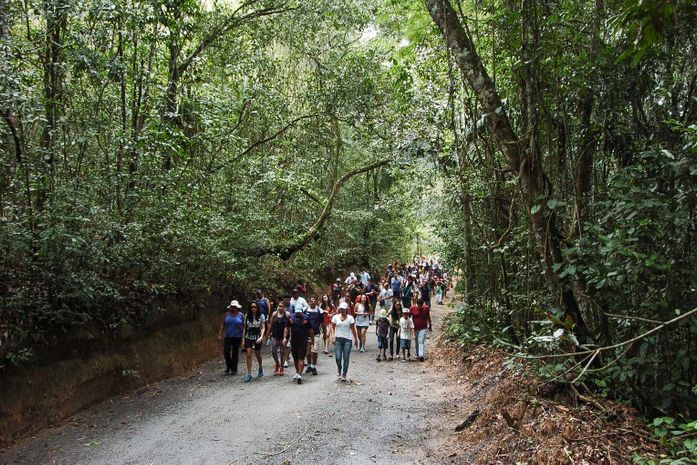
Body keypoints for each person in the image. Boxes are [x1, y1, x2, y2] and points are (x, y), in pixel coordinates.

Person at [284, 307, 314, 384]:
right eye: (297, 313)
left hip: (303, 341)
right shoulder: (291, 318)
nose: (298, 314)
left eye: (299, 313)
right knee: (295, 358)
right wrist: (285, 337)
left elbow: (310, 329)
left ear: (302, 312)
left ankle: (300, 375)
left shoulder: (306, 318)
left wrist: (312, 339)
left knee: (301, 358)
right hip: (294, 341)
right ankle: (297, 371)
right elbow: (287, 327)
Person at [332, 302, 358, 381]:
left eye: (344, 309)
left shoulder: (350, 318)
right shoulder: (335, 317)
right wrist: (333, 336)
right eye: (341, 309)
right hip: (338, 339)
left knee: (346, 358)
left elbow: (353, 329)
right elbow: (332, 327)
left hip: (347, 340)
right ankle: (339, 369)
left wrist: (356, 339)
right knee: (338, 357)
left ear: (346, 309)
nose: (342, 310)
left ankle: (344, 374)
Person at [218, 300, 244, 375]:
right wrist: (220, 334)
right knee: (226, 351)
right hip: (228, 336)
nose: (233, 308)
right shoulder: (227, 314)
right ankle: (228, 366)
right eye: (232, 306)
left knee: (235, 353)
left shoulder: (241, 315)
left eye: (235, 307)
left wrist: (243, 337)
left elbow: (244, 326)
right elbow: (223, 324)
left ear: (237, 307)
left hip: (237, 336)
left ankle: (234, 369)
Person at [242, 302, 266, 381]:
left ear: (257, 308)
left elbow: (263, 327)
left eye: (255, 307)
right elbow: (244, 328)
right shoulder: (247, 316)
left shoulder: (261, 316)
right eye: (252, 307)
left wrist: (261, 337)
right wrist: (243, 339)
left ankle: (260, 367)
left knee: (257, 353)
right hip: (248, 336)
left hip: (257, 336)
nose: (253, 308)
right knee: (248, 353)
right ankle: (249, 373)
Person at [305, 297, 326, 375]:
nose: (313, 302)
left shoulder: (319, 311)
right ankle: (309, 365)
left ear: (316, 302)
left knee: (314, 351)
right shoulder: (305, 310)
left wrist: (325, 333)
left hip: (316, 334)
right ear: (309, 302)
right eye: (311, 301)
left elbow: (323, 323)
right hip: (306, 335)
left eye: (314, 300)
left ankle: (313, 366)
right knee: (308, 352)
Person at [268, 302, 290, 376]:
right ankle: (277, 363)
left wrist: (287, 336)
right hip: (275, 335)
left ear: (284, 307)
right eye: (279, 306)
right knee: (273, 351)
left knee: (282, 352)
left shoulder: (287, 315)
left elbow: (288, 326)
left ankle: (282, 368)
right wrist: (268, 333)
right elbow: (270, 324)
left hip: (284, 336)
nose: (281, 308)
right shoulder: (274, 314)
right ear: (278, 307)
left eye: (282, 306)